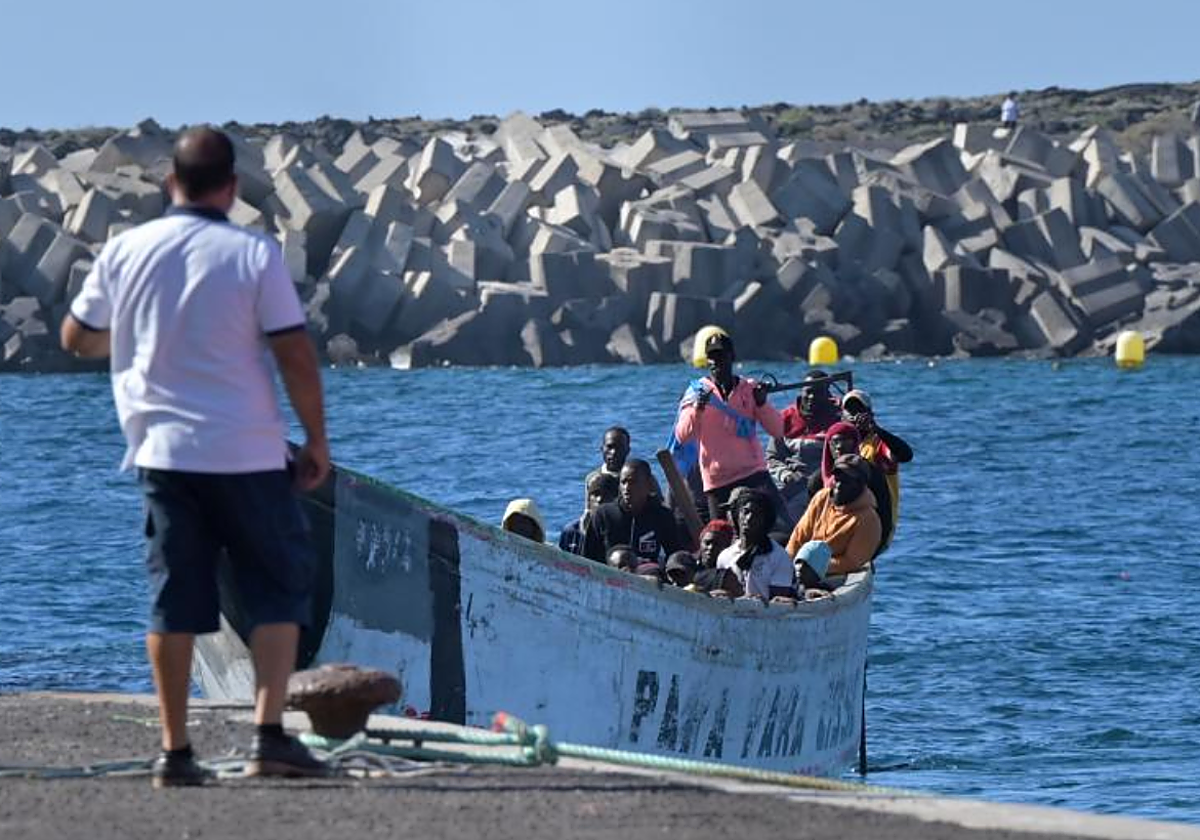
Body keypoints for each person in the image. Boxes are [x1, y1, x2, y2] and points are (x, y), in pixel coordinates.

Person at [59, 127, 329, 787]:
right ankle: (269, 737)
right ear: (231, 189)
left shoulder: (127, 250)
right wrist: (317, 438)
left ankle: (174, 751)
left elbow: (76, 337)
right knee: (275, 588)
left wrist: (129, 340)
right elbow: (293, 352)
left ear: (168, 183)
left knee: (174, 598)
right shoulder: (253, 253)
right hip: (248, 452)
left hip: (163, 453)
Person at [673, 331, 787, 525]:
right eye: (711, 357)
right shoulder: (695, 392)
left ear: (732, 357)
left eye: (721, 356)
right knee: (722, 539)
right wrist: (697, 409)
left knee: (785, 526)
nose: (716, 362)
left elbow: (778, 431)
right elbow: (682, 435)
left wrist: (761, 404)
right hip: (718, 483)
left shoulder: (749, 388)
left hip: (754, 474)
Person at [786, 455, 881, 578]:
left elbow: (852, 562)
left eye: (846, 480)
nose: (839, 485)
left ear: (861, 484)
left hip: (835, 576)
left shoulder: (868, 519)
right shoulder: (822, 497)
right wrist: (787, 565)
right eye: (837, 478)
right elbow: (799, 536)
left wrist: (812, 567)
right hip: (802, 567)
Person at [767, 370, 842, 524]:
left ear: (827, 394)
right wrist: (786, 475)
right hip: (793, 484)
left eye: (819, 393)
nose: (812, 397)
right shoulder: (785, 418)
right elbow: (772, 457)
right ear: (802, 392)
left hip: (825, 485)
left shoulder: (839, 416)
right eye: (809, 392)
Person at [841, 389, 912, 548]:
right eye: (850, 410)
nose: (854, 415)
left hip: (878, 522)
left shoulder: (878, 443)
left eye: (859, 410)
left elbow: (906, 455)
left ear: (870, 414)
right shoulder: (839, 443)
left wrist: (876, 429)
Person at [811, 420, 893, 554]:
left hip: (863, 543)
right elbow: (811, 522)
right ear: (827, 445)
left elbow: (884, 516)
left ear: (855, 443)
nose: (839, 447)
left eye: (845, 440)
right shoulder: (817, 481)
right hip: (824, 548)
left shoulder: (872, 475)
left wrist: (873, 551)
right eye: (834, 442)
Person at [583, 459, 683, 568]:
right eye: (623, 482)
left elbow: (674, 556)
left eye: (632, 482)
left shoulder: (662, 516)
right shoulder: (603, 515)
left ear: (648, 484)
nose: (626, 488)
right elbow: (588, 558)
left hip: (647, 578)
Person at [715, 488, 796, 601]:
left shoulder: (778, 557)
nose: (749, 518)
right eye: (746, 512)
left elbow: (779, 604)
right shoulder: (724, 556)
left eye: (756, 514)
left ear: (765, 520)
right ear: (737, 514)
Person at [558, 472, 618, 555]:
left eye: (606, 494)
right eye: (595, 494)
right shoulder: (572, 531)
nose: (599, 499)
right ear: (589, 499)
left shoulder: (622, 530)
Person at [687, 519, 739, 594]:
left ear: (727, 547)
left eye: (717, 544)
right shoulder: (688, 563)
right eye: (707, 543)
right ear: (700, 541)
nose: (711, 548)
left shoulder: (730, 571)